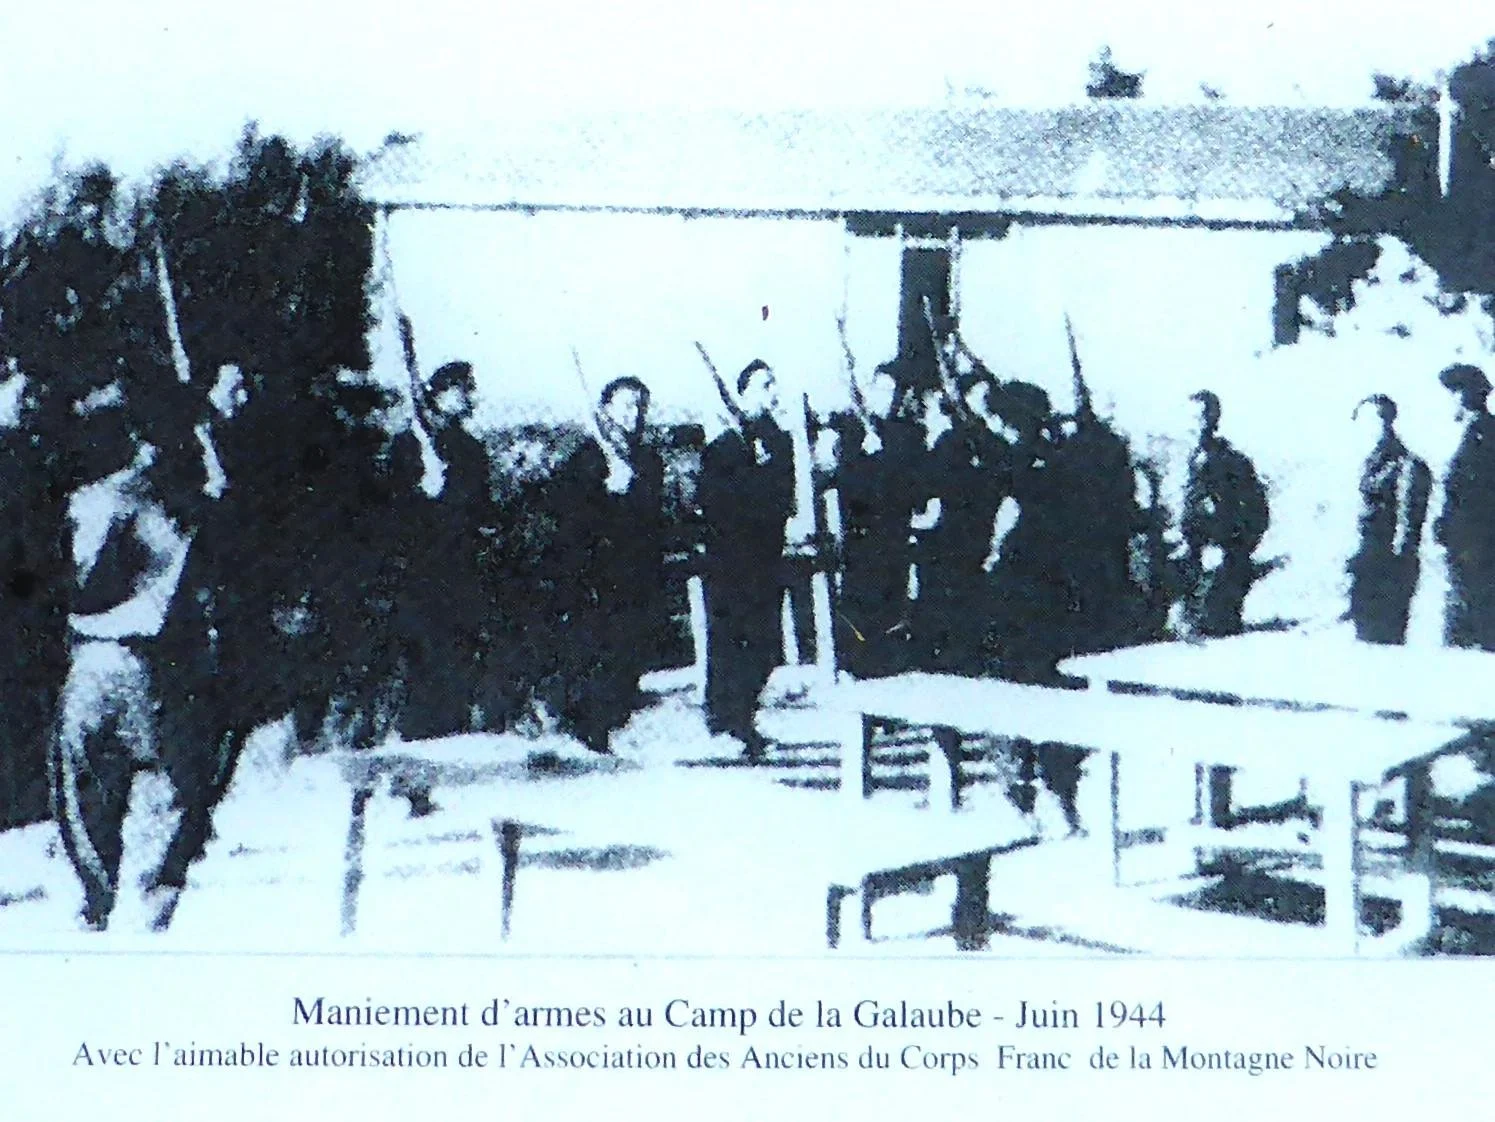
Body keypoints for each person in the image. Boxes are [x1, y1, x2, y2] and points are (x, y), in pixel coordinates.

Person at [50, 381, 190, 930]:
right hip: (129, 654)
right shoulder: (147, 500)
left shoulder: (100, 502)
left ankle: (111, 895)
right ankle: (138, 893)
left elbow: (80, 582)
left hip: (109, 654)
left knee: (97, 777)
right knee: (139, 774)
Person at [533, 376, 667, 755]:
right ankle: (588, 730)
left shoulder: (647, 460)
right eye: (625, 405)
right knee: (598, 655)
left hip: (637, 575)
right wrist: (604, 492)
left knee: (630, 656)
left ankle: (609, 724)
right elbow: (567, 515)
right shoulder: (588, 458)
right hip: (598, 577)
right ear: (606, 409)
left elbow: (654, 516)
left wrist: (634, 491)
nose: (633, 413)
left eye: (640, 405)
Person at [698, 360, 795, 760]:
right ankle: (725, 720)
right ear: (742, 396)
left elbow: (784, 494)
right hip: (730, 562)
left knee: (765, 643)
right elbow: (713, 502)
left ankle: (744, 715)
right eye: (762, 386)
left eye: (774, 384)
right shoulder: (722, 446)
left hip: (767, 557)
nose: (771, 392)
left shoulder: (778, 440)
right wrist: (748, 468)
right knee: (730, 641)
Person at [399, 361, 497, 740]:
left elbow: (480, 503)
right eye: (463, 388)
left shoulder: (468, 447)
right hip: (424, 562)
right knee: (426, 644)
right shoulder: (413, 444)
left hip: (464, 559)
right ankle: (421, 725)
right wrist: (423, 488)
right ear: (441, 394)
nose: (470, 396)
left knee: (461, 640)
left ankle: (452, 720)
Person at [830, 364, 923, 678]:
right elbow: (847, 480)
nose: (887, 397)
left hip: (893, 532)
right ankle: (856, 663)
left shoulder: (902, 435)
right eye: (880, 389)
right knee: (861, 599)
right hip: (863, 533)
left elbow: (907, 482)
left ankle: (887, 664)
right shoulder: (851, 435)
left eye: (891, 392)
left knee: (892, 598)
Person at [1175, 390, 1271, 638]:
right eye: (1188, 419)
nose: (1194, 426)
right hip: (1190, 554)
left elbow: (1256, 510)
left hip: (1218, 556)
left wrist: (1229, 545)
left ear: (1214, 419)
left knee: (1216, 624)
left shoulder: (1231, 462)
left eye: (1201, 418)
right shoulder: (1181, 459)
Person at [1345, 394, 1431, 645]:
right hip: (1366, 564)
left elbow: (1408, 526)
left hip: (1388, 567)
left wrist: (1397, 567)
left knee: (1384, 643)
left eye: (1375, 420)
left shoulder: (1406, 465)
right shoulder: (1368, 463)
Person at [1434, 363, 1495, 651]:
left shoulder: (1487, 433)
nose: (1447, 401)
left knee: (1478, 612)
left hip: (1479, 542)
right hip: (1461, 542)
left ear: (1467, 395)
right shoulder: (1461, 434)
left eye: (1451, 393)